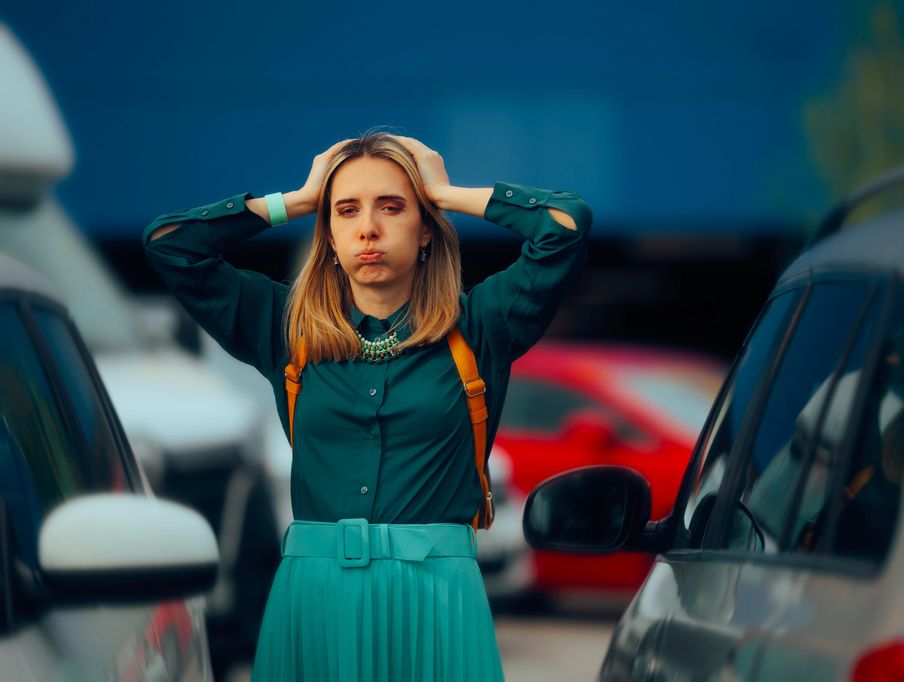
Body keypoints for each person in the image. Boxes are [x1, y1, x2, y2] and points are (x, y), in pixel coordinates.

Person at [142, 131, 591, 681]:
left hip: (436, 599)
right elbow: (169, 243)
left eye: (392, 207)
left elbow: (565, 224)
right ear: (328, 235)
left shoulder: (481, 326)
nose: (368, 229)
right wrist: (298, 200)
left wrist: (446, 193)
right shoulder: (286, 328)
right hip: (314, 596)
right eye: (346, 210)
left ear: (426, 229)